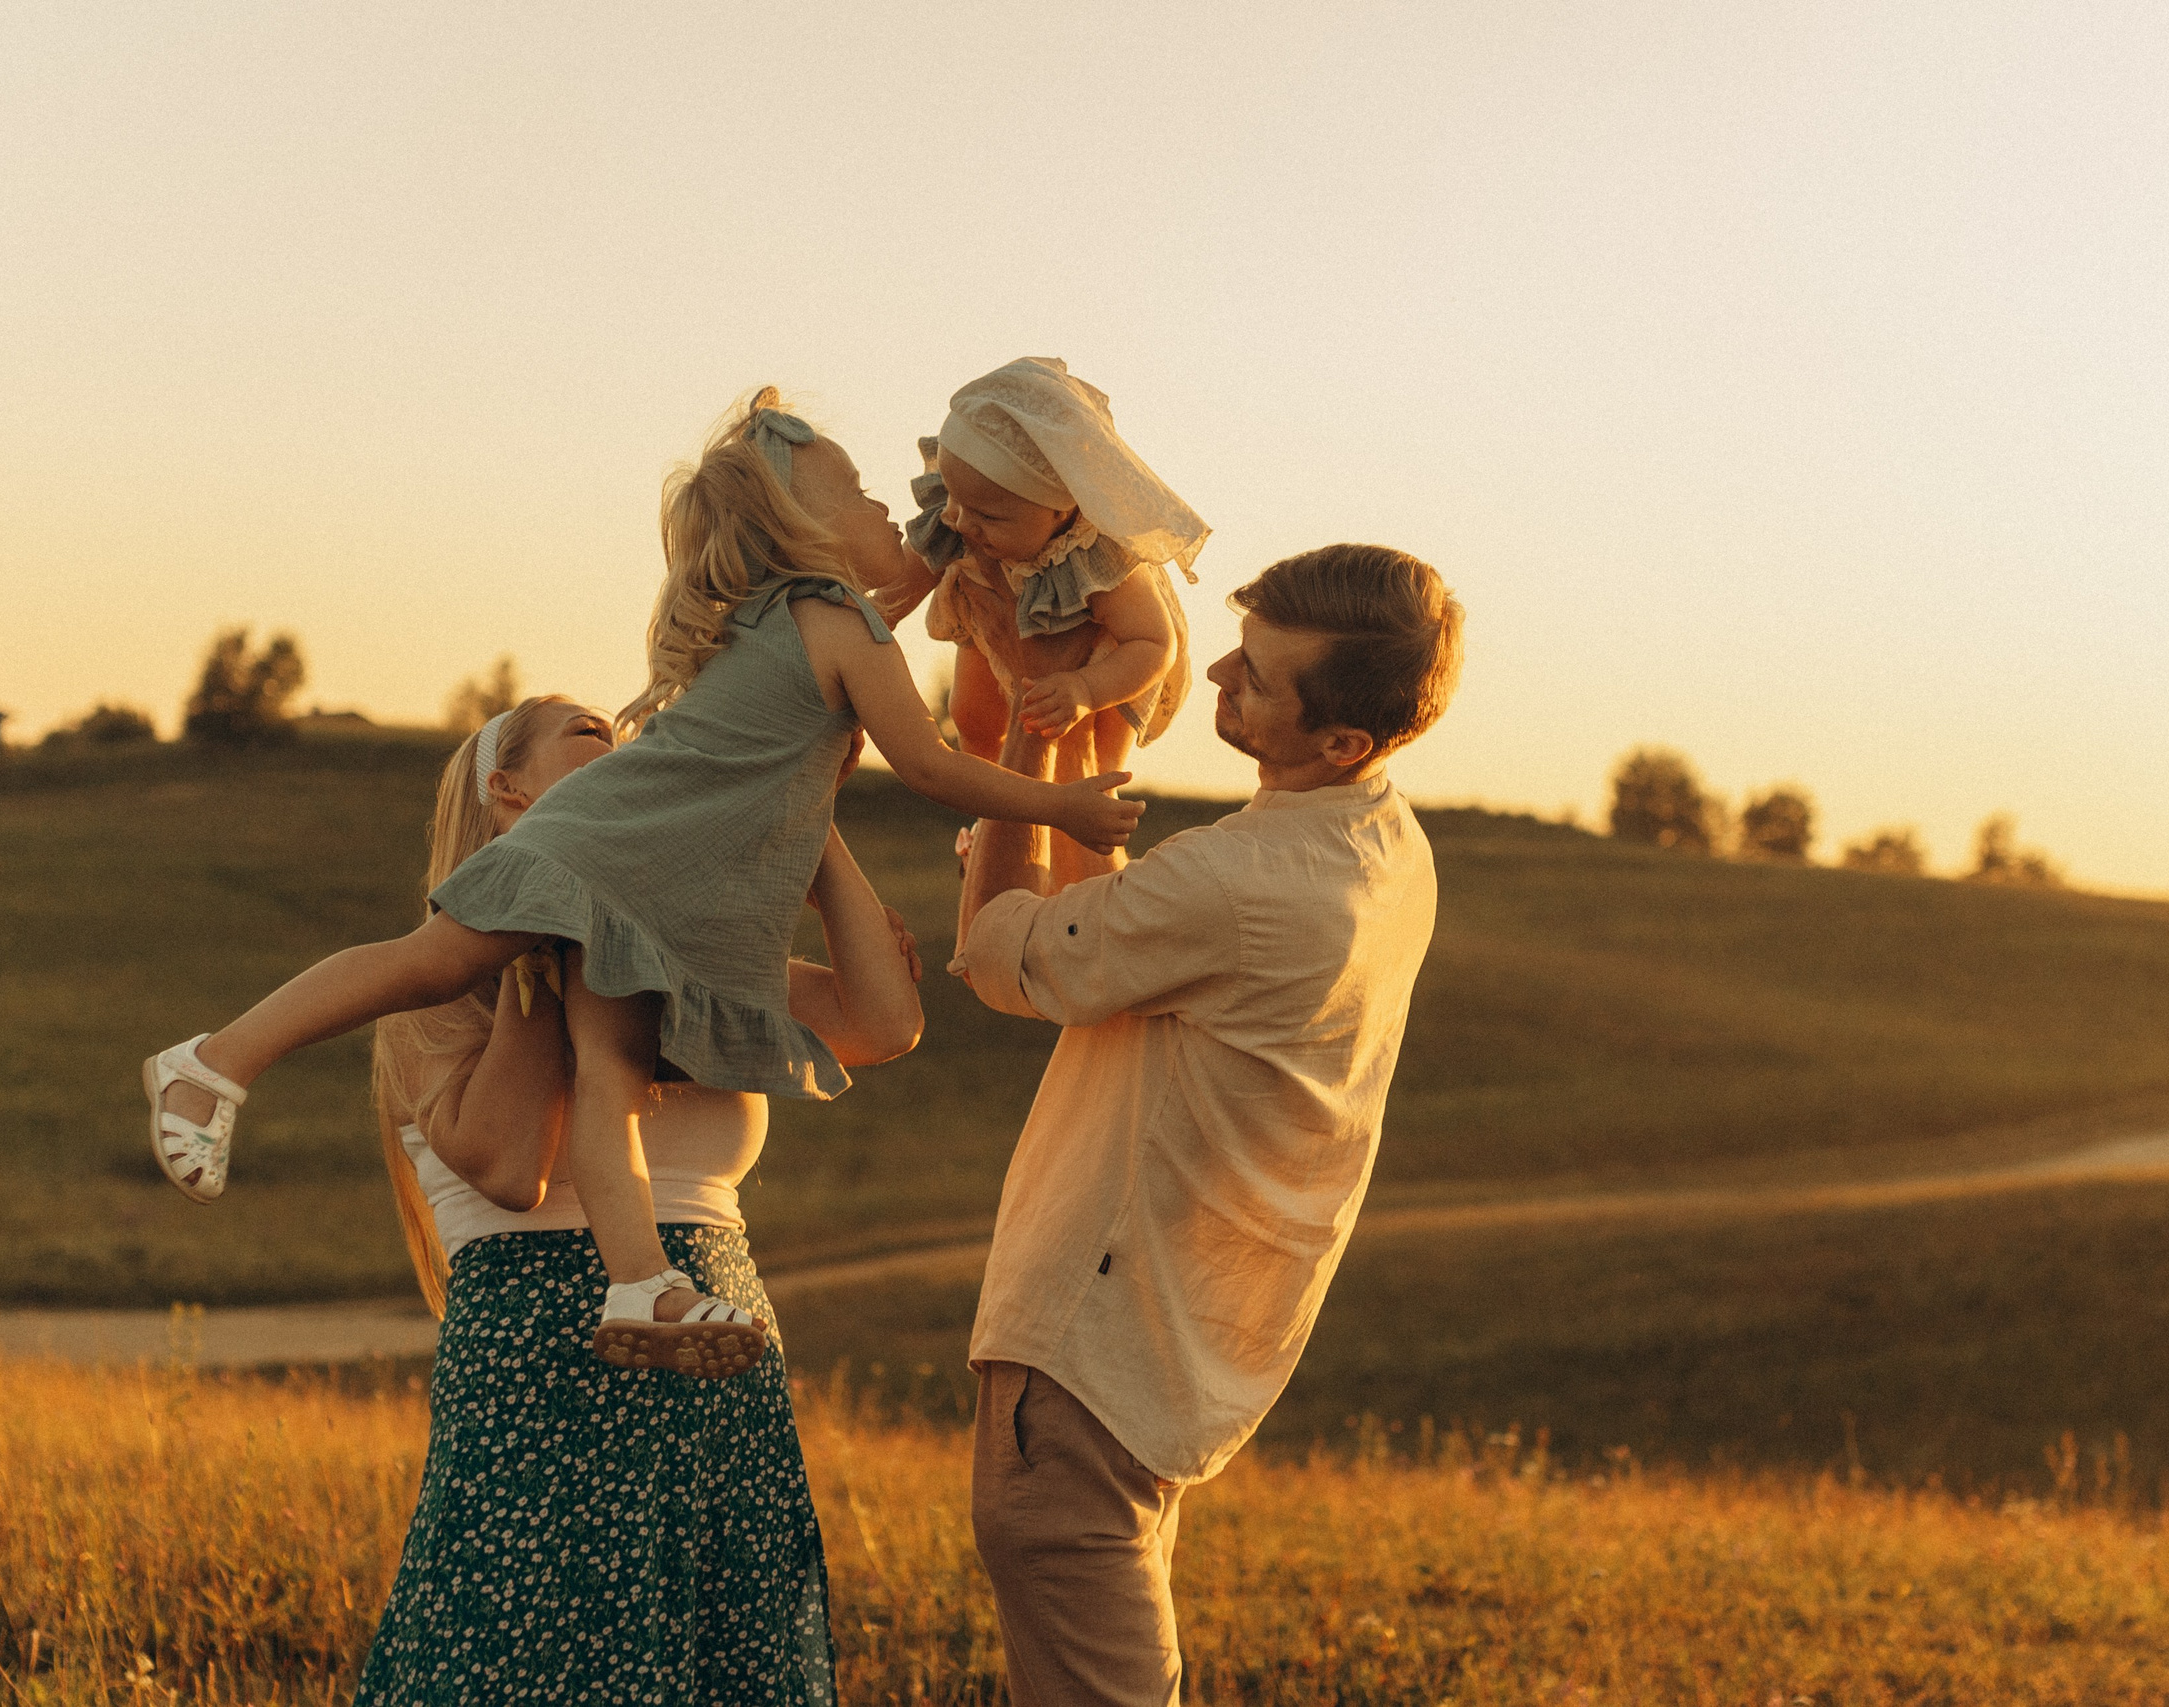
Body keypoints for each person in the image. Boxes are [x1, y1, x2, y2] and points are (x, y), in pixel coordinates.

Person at [140, 389, 1144, 1372]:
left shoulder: (787, 618)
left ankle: (638, 1281)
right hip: (608, 853)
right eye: (855, 494)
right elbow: (929, 765)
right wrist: (1063, 808)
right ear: (804, 538)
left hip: (646, 892)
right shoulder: (837, 622)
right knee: (438, 963)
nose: (890, 505)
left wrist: (946, 551)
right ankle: (213, 1062)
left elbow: (889, 590)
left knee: (605, 1069)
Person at [950, 543, 1465, 1705]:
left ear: (1342, 739)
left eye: (1262, 675)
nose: (1220, 669)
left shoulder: (1236, 882)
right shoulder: (1388, 847)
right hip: (1185, 1330)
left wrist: (1026, 748)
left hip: (1088, 1328)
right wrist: (1081, 737)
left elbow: (999, 956)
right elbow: (1120, 925)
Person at [353, 691, 918, 1705]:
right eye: (590, 740)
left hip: (718, 1362)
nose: (624, 763)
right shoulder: (430, 989)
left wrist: (806, 810)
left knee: (726, 1661)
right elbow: (507, 1164)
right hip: (543, 1368)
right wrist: (545, 930)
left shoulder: (682, 959)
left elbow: (881, 1021)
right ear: (506, 792)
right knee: (524, 1662)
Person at [877, 358, 1208, 887]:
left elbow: (1153, 641)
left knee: (1082, 761)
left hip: (1107, 660)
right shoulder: (965, 506)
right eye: (955, 500)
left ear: (1062, 510)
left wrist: (1085, 687)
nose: (961, 522)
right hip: (990, 621)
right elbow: (915, 571)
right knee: (974, 718)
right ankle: (995, 821)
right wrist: (879, 614)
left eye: (988, 517)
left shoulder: (1102, 555)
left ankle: (1076, 876)